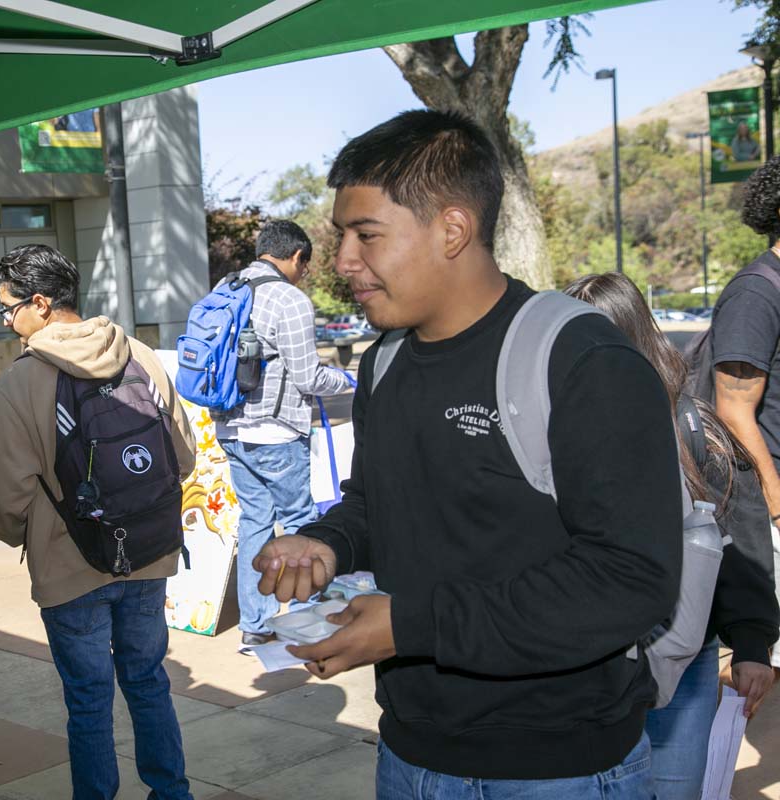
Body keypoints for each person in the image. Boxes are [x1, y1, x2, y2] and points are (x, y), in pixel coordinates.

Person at [254, 109, 682, 798]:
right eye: (341, 237)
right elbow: (375, 501)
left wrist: (411, 626)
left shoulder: (581, 362)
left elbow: (630, 582)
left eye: (366, 235)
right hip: (410, 756)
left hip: (559, 770)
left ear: (453, 229)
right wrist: (327, 543)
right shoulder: (384, 363)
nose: (343, 262)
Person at [0, 244, 197, 800]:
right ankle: (172, 793)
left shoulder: (22, 382)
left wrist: (29, 532)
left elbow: (3, 501)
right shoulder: (139, 355)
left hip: (70, 565)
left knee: (89, 701)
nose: (6, 320)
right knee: (148, 683)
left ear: (41, 304)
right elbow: (184, 458)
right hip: (147, 552)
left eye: (9, 308)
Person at [565, 272, 778, 800]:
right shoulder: (546, 427)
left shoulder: (692, 427)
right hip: (583, 662)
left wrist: (752, 643)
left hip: (681, 657)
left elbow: (741, 543)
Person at [214, 220, 352, 649]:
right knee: (301, 523)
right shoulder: (289, 299)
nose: (304, 274)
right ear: (295, 257)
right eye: (305, 266)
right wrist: (348, 381)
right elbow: (308, 376)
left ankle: (255, 624)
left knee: (255, 521)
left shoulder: (227, 288)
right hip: (275, 433)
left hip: (230, 429)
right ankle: (307, 618)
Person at [710, 153, 780, 676]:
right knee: (765, 668)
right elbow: (733, 408)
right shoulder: (758, 292)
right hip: (767, 507)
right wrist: (778, 508)